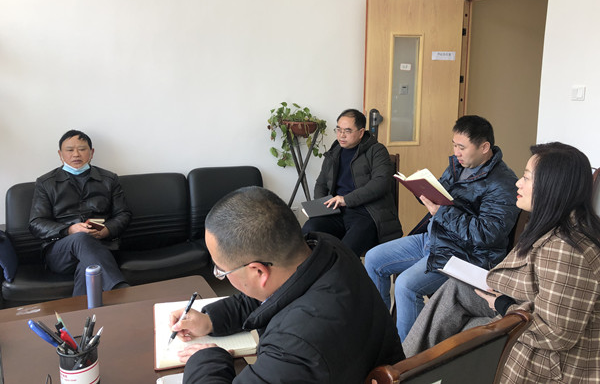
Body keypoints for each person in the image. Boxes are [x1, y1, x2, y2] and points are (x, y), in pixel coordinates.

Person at [403, 142, 600, 383]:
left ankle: (403, 371)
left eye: (526, 178)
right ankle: (404, 368)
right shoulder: (555, 226)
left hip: (553, 362)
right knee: (457, 290)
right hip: (527, 310)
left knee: (465, 332)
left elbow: (555, 333)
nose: (518, 183)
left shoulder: (566, 249)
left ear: (552, 186)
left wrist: (503, 305)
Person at [169, 186, 404, 383]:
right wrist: (210, 320)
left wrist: (208, 357)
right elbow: (271, 297)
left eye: (221, 270)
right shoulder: (326, 249)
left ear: (258, 271)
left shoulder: (294, 347)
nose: (221, 274)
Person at [364, 115, 520, 341]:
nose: (456, 152)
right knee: (373, 258)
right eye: (454, 145)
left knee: (406, 285)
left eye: (462, 147)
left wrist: (441, 212)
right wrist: (422, 190)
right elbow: (442, 196)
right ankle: (381, 336)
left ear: (484, 147)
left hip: (464, 254)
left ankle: (408, 354)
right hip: (435, 237)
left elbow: (487, 234)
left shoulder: (502, 184)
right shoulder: (459, 165)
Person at [29, 130, 131, 296]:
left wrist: (107, 230)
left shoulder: (109, 179)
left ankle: (83, 313)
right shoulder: (46, 183)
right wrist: (69, 230)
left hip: (101, 246)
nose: (76, 154)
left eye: (82, 149)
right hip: (60, 251)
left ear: (91, 153)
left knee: (88, 267)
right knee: (81, 238)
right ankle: (120, 291)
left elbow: (124, 214)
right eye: (70, 150)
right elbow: (36, 223)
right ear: (60, 154)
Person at [301, 108, 403, 256]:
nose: (341, 135)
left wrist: (346, 200)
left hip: (366, 213)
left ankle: (337, 270)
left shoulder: (377, 150)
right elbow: (321, 183)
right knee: (308, 232)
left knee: (345, 251)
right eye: (338, 130)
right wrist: (321, 207)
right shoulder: (335, 151)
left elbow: (381, 183)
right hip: (336, 212)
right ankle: (314, 270)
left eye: (347, 131)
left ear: (361, 132)